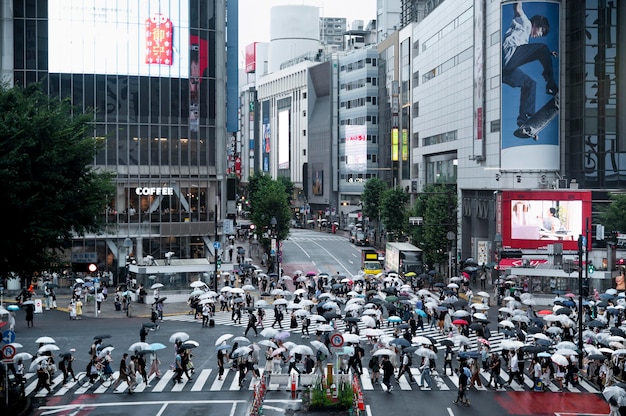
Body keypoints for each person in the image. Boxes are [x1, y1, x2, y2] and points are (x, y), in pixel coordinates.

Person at [502, 1, 558, 129]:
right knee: (542, 48)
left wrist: (548, 54)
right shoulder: (525, 22)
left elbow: (528, 51)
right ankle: (551, 85)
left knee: (530, 83)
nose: (539, 35)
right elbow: (517, 8)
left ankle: (525, 119)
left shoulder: (525, 37)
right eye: (541, 31)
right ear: (537, 23)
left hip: (505, 70)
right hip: (509, 56)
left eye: (542, 35)